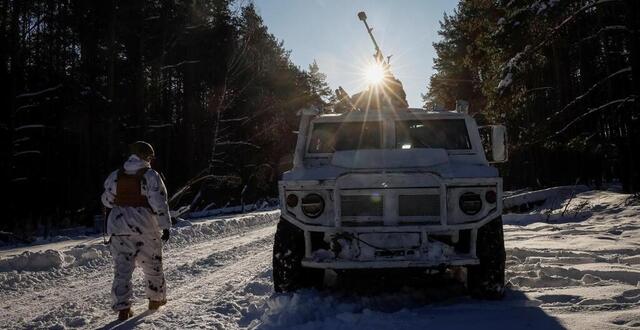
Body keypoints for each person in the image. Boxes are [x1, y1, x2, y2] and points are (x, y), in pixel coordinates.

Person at [101, 141, 172, 320]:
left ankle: (123, 309)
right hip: (146, 227)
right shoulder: (151, 175)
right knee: (152, 264)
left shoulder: (115, 175)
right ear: (146, 156)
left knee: (122, 269)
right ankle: (155, 300)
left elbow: (106, 201)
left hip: (119, 228)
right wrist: (165, 226)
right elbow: (159, 203)